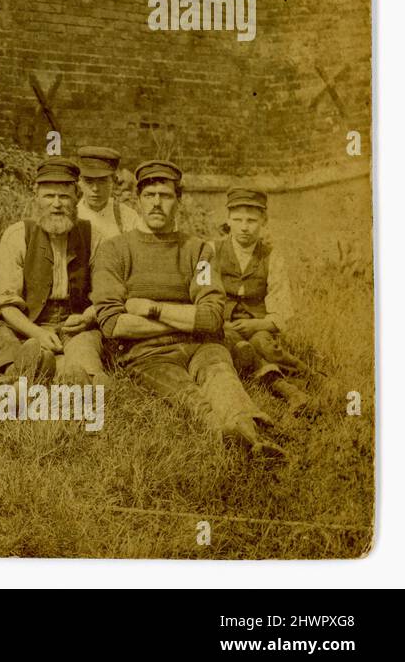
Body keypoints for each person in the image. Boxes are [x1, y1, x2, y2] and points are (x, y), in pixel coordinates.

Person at [90, 160, 284, 460]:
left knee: (222, 378)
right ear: (138, 199)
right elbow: (114, 324)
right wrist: (185, 319)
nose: (157, 203)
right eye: (150, 195)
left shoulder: (198, 251)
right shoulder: (114, 251)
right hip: (147, 355)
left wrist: (151, 309)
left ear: (178, 201)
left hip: (202, 346)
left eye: (166, 195)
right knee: (188, 396)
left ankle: (252, 434)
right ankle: (226, 437)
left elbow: (210, 317)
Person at [0, 159, 108, 386]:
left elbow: (105, 296)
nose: (56, 204)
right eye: (49, 196)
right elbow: (7, 305)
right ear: (37, 198)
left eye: (64, 197)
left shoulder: (94, 236)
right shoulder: (17, 235)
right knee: (2, 336)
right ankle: (23, 369)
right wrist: (37, 333)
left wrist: (87, 317)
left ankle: (72, 374)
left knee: (85, 347)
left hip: (75, 325)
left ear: (77, 199)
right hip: (26, 322)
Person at [213, 187, 311, 413]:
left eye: (252, 220)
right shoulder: (211, 251)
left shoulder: (272, 257)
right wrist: (218, 321)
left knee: (262, 343)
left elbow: (280, 309)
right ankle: (288, 390)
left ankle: (311, 378)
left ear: (263, 221)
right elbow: (202, 295)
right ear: (228, 220)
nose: (244, 227)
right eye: (237, 220)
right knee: (238, 345)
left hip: (258, 325)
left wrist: (257, 324)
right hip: (221, 326)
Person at [75, 145, 142, 243]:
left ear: (114, 181)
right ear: (79, 181)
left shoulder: (127, 216)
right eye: (89, 181)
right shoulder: (71, 216)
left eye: (102, 181)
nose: (95, 188)